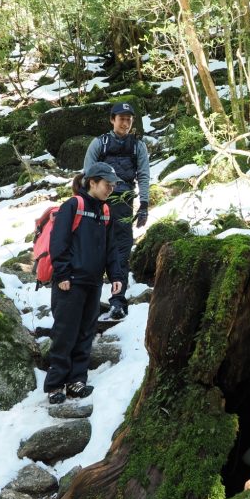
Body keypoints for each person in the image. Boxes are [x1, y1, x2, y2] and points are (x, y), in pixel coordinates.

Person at [44, 162, 122, 405]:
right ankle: (55, 385)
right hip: (70, 282)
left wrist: (116, 276)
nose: (110, 188)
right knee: (65, 332)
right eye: (107, 184)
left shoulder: (105, 211)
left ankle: (77, 381)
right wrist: (63, 275)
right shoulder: (73, 206)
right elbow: (58, 242)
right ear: (92, 182)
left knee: (86, 333)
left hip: (93, 282)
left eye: (112, 185)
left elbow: (111, 248)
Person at [83, 101, 150, 320]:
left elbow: (143, 175)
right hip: (98, 204)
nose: (125, 123)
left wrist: (144, 205)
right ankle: (86, 301)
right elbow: (87, 175)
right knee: (92, 251)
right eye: (121, 119)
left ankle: (118, 301)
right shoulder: (99, 144)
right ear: (112, 120)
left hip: (124, 204)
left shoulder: (137, 146)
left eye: (129, 119)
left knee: (121, 251)